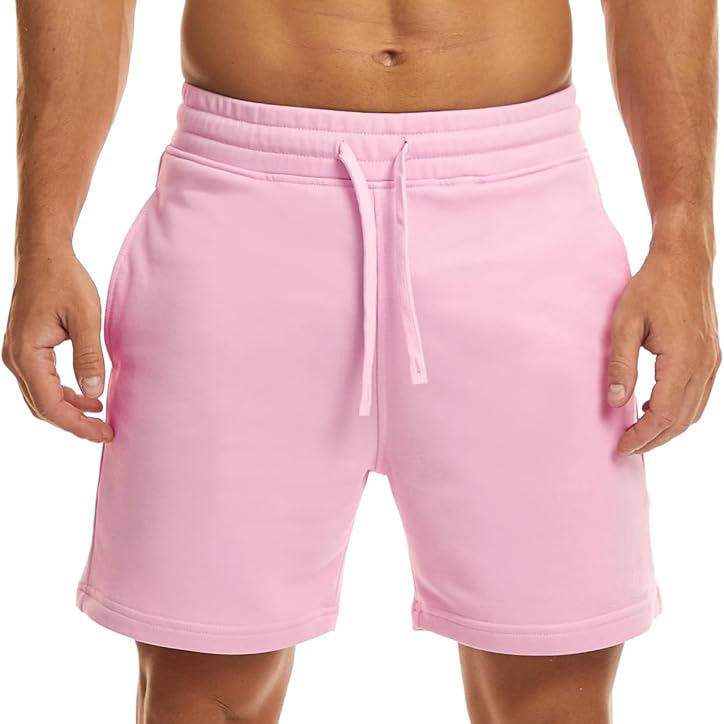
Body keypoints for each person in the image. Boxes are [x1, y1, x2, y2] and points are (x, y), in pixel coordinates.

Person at [3, 2, 719, 722]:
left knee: (555, 697)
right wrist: (43, 240)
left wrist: (684, 240)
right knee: (201, 693)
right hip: (242, 211)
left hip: (523, 216)